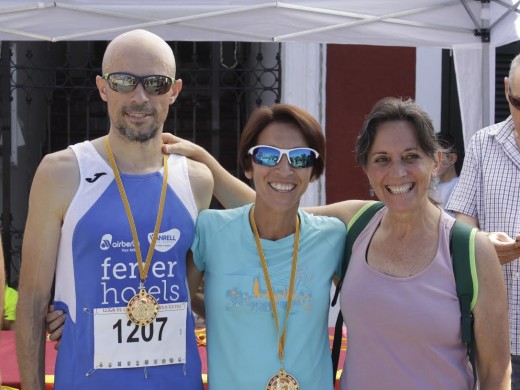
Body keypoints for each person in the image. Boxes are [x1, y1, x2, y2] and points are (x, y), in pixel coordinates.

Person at [163, 97, 511, 388]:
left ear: (436, 162)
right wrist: (206, 160)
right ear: (366, 169)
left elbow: (497, 372)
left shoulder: (468, 250)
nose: (397, 172)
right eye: (382, 160)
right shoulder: (356, 224)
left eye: (411, 156)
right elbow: (273, 204)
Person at [16, 29, 213, 390]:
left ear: (174, 91)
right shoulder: (61, 172)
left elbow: (186, 289)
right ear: (103, 87)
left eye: (155, 83)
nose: (139, 97)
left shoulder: (198, 181)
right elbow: (31, 300)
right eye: (124, 81)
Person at [189, 103, 347, 388]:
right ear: (248, 166)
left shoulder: (332, 237)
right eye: (268, 156)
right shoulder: (211, 230)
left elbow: (368, 307)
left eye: (300, 158)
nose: (284, 169)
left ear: (313, 171)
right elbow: (174, 301)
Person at [447, 53, 520, 387]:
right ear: (506, 90)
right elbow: (462, 225)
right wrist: (481, 244)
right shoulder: (483, 143)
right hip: (494, 331)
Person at [430, 132, 459, 211]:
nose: (432, 163)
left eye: (436, 157)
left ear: (451, 158)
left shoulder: (460, 188)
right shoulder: (429, 186)